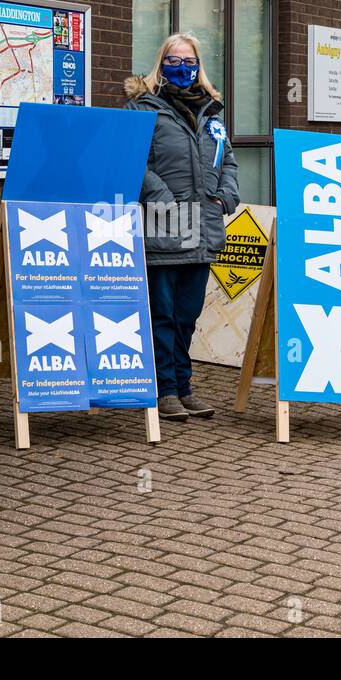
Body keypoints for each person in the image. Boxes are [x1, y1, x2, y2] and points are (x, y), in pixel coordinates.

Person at [124, 33, 238, 422]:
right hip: (164, 222)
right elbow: (132, 161)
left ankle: (184, 386)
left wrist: (226, 196)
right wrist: (161, 197)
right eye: (174, 59)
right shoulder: (144, 108)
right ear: (162, 63)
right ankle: (164, 389)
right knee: (163, 313)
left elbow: (230, 163)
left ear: (199, 64)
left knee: (187, 314)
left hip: (202, 225)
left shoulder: (212, 113)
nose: (182, 67)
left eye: (189, 60)